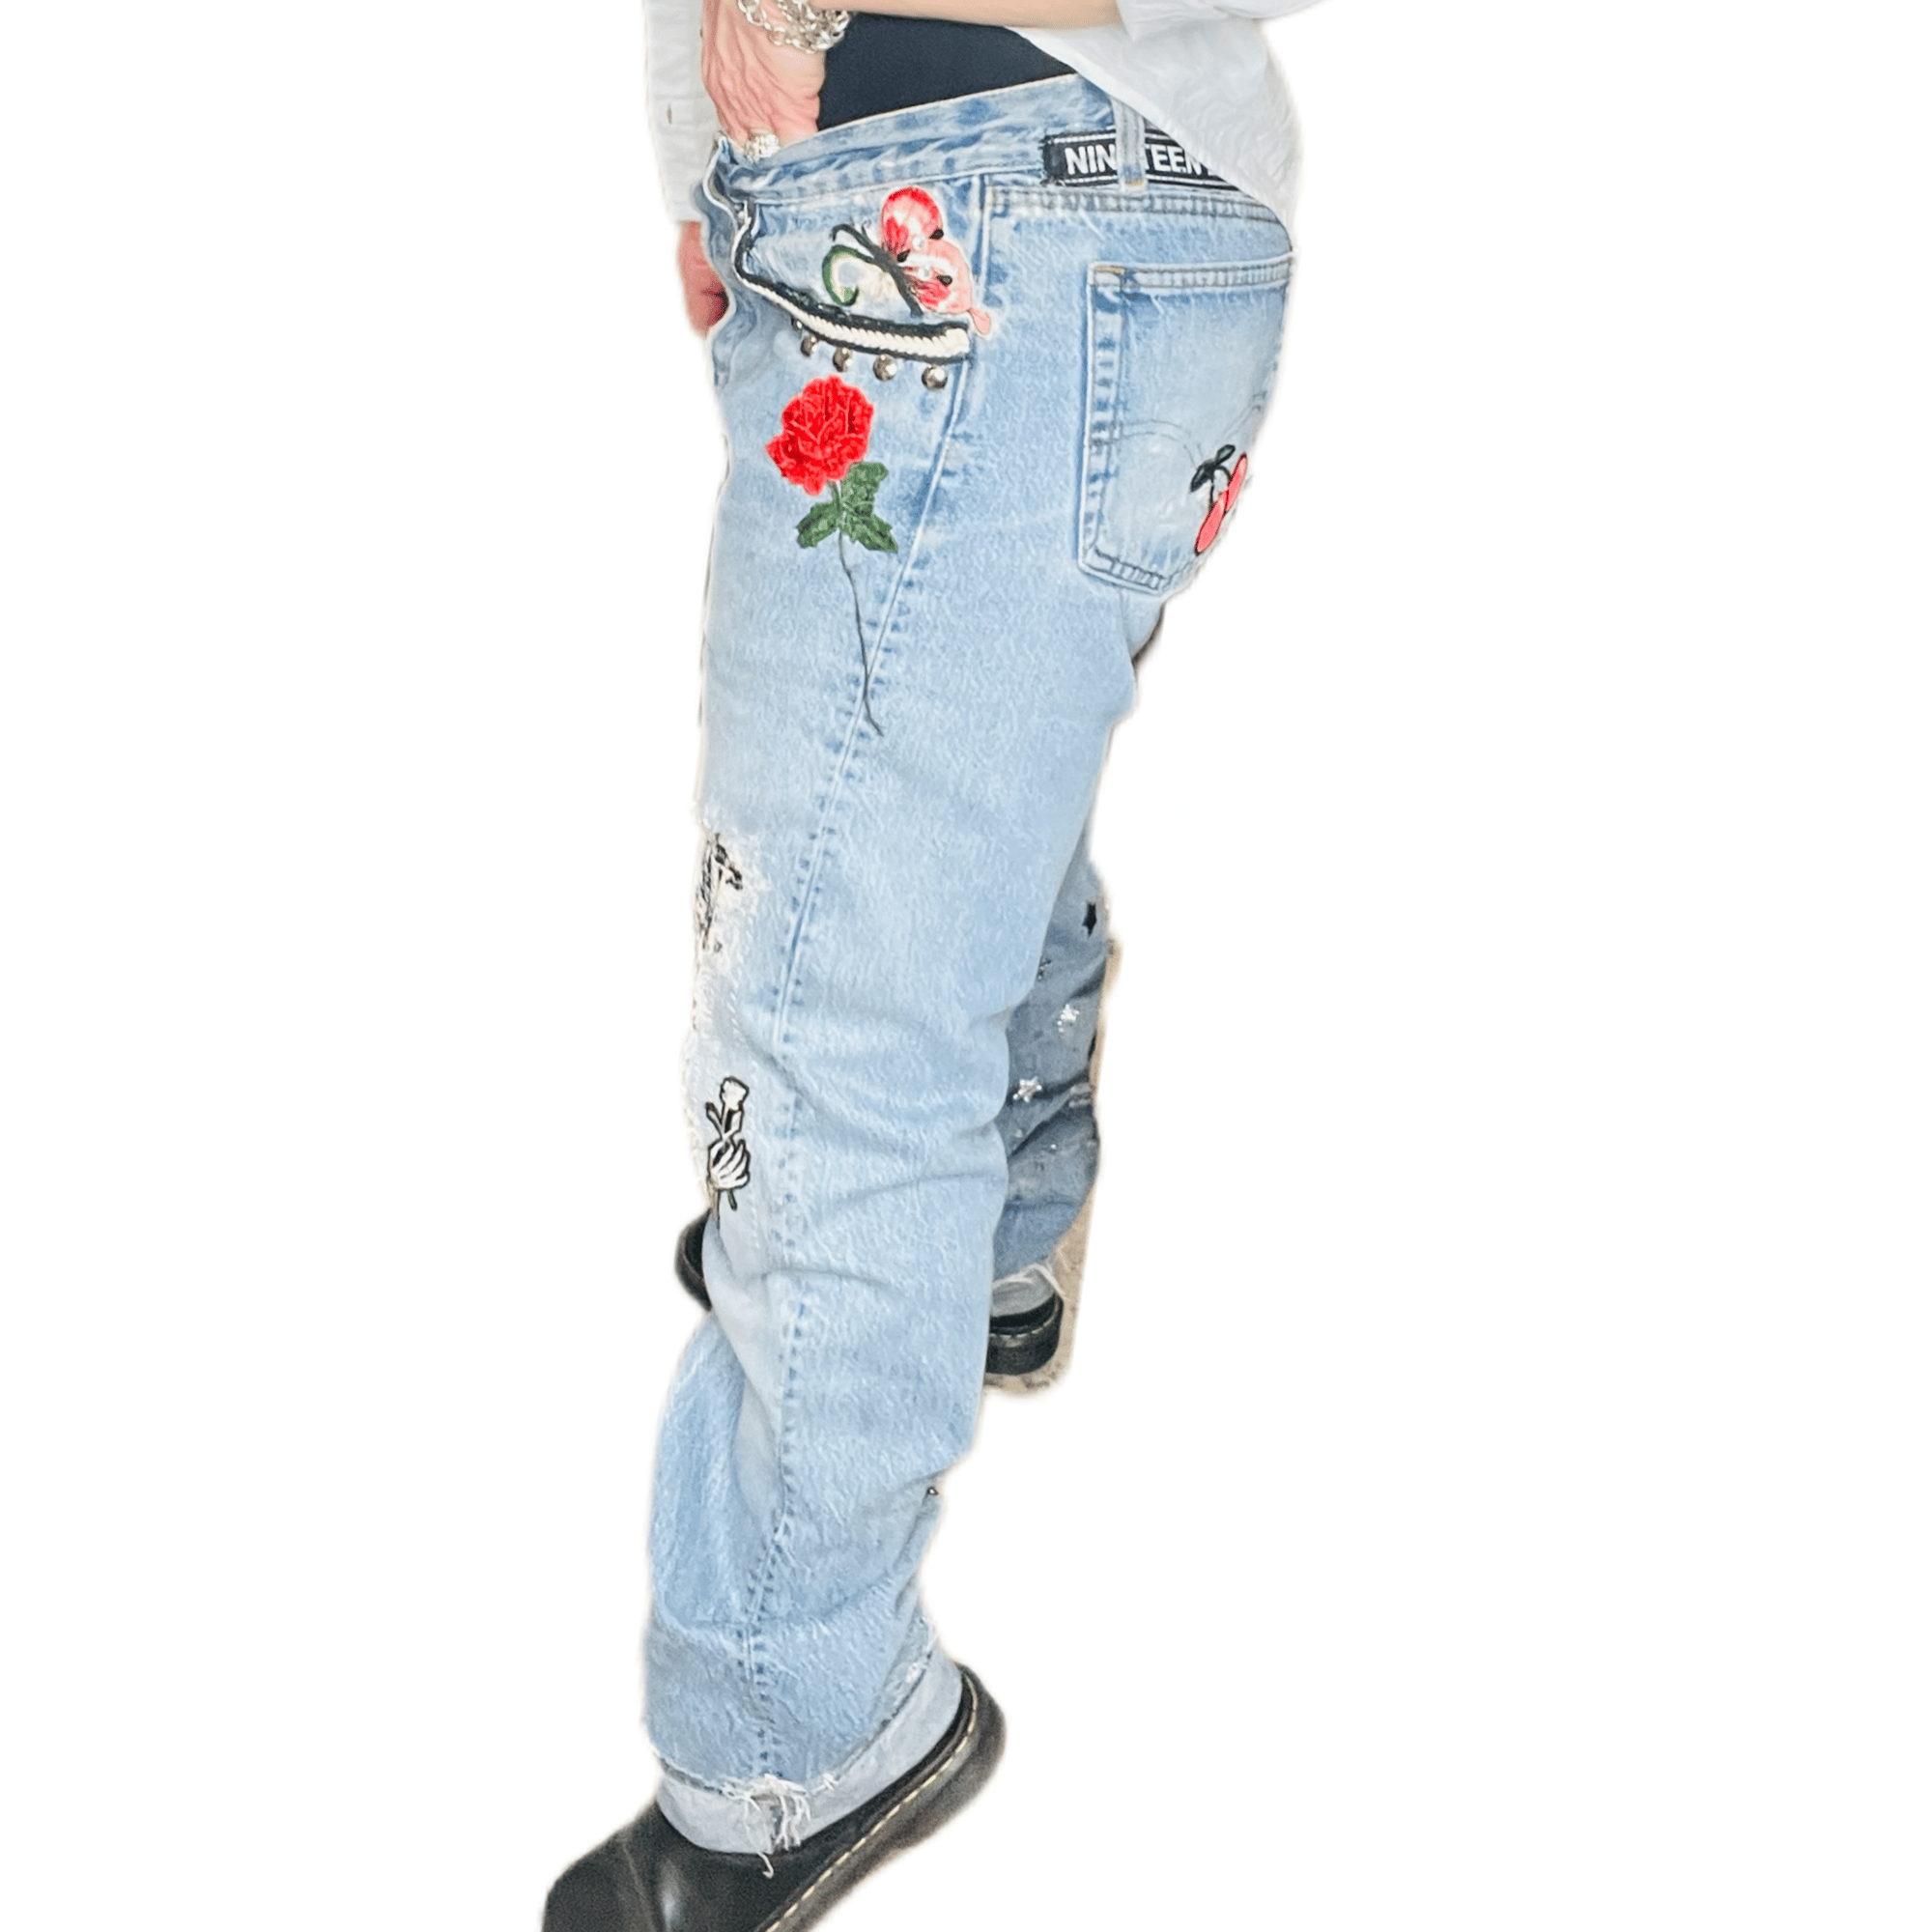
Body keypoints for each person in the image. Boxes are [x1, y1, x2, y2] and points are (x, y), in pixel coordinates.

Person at [545, 0, 1315, 1921]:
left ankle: (792, 1743)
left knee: (831, 997)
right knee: (939, 824)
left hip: (997, 223)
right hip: (966, 220)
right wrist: (721, 163)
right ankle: (982, 1244)